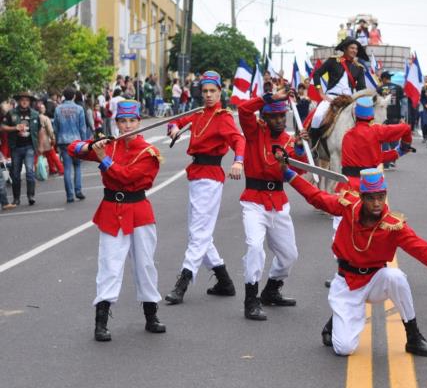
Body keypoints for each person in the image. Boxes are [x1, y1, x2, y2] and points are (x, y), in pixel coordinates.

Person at [280, 164, 427, 356]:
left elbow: (422, 249)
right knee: (344, 349)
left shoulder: (393, 226)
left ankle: (413, 337)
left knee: (396, 277)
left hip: (375, 280)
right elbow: (317, 197)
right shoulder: (348, 206)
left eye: (381, 197)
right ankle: (335, 323)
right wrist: (288, 173)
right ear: (362, 198)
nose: (377, 203)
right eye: (371, 198)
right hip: (347, 282)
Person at [68, 100, 166, 342]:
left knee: (145, 265)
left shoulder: (149, 152)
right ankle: (100, 320)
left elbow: (128, 177)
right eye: (123, 121)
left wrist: (103, 159)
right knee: (109, 265)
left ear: (139, 122)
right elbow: (72, 148)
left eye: (132, 121)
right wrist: (92, 144)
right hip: (112, 210)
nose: (128, 125)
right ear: (117, 123)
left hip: (139, 210)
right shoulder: (108, 145)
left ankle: (151, 314)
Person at [164, 71, 246, 305]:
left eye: (213, 91)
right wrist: (173, 127)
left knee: (199, 232)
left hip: (210, 177)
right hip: (196, 175)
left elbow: (239, 140)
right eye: (205, 91)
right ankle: (224, 281)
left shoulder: (223, 116)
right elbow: (177, 121)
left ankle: (183, 281)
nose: (208, 95)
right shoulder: (198, 113)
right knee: (198, 232)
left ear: (220, 92)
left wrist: (238, 160)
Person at [237, 89, 309, 321]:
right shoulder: (254, 132)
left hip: (278, 202)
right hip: (254, 202)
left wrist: (298, 150)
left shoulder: (289, 139)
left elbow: (298, 170)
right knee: (255, 247)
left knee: (289, 255)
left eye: (282, 116)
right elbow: (243, 109)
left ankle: (271, 290)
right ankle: (251, 300)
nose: (279, 120)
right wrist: (270, 96)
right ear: (265, 118)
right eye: (274, 117)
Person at [309, 39, 367, 145]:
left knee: (364, 120)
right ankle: (314, 146)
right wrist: (321, 93)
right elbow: (316, 74)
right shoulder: (333, 61)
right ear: (345, 49)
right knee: (317, 117)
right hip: (331, 97)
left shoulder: (359, 68)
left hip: (349, 100)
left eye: (356, 49)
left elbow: (362, 88)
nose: (355, 50)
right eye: (352, 48)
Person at [1, 91, 41, 206]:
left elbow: (40, 130)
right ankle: (16, 198)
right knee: (15, 174)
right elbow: (3, 127)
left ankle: (30, 196)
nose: (24, 101)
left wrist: (41, 146)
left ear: (29, 102)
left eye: (27, 100)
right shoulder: (11, 113)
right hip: (16, 147)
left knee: (29, 171)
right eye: (22, 99)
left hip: (30, 147)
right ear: (18, 101)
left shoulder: (35, 114)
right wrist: (15, 128)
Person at [54, 87, 89, 202]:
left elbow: (56, 127)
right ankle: (78, 191)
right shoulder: (79, 109)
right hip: (76, 141)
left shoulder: (58, 109)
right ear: (74, 96)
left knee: (67, 169)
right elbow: (82, 128)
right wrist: (84, 143)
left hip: (63, 141)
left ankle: (69, 195)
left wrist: (57, 141)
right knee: (77, 166)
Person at [36, 101, 63, 177]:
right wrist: (53, 138)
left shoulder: (34, 117)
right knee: (52, 155)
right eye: (43, 107)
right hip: (45, 139)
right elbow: (50, 130)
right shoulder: (45, 118)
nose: (44, 109)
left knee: (39, 156)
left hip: (37, 140)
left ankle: (51, 169)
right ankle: (60, 169)